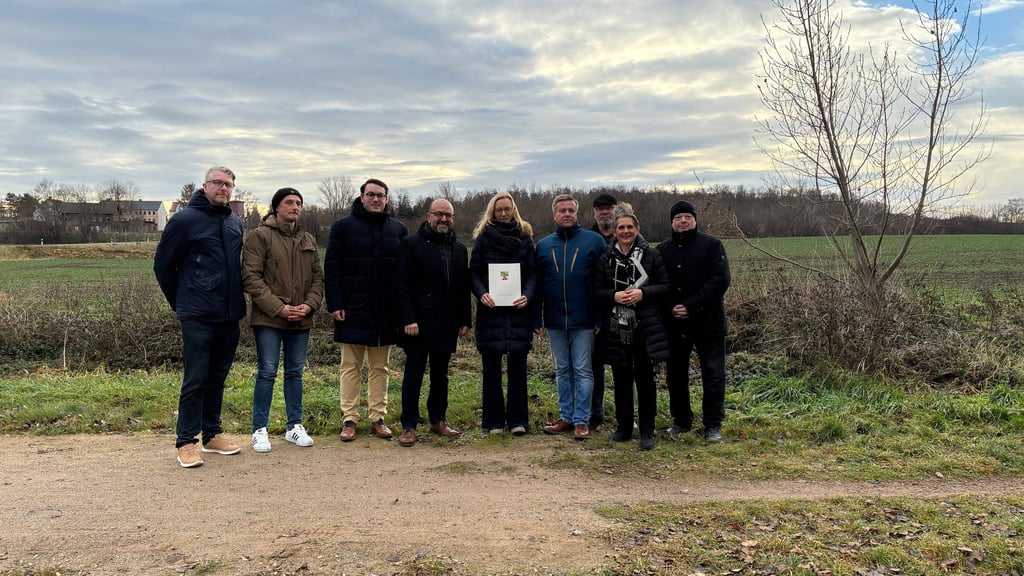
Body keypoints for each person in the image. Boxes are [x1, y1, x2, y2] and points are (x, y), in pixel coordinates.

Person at [154, 166, 245, 468]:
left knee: (218, 376)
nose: (224, 188)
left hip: (229, 313)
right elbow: (164, 267)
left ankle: (212, 433)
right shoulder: (184, 221)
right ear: (205, 185)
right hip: (198, 314)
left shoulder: (234, 222)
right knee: (196, 378)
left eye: (229, 184)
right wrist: (183, 303)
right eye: (218, 183)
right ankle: (186, 441)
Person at [323, 178, 408, 442]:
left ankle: (377, 418)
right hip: (352, 308)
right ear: (361, 197)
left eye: (380, 195)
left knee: (380, 367)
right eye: (370, 194)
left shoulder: (399, 229)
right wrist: (335, 303)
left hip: (386, 310)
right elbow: (332, 268)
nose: (375, 199)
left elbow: (404, 274)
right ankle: (349, 419)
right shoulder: (343, 227)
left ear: (386, 199)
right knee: (350, 366)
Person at [241, 187, 324, 453]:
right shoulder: (259, 236)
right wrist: (279, 308)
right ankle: (259, 430)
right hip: (269, 319)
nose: (295, 207)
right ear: (277, 207)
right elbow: (251, 278)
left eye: (299, 203)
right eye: (289, 202)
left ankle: (294, 427)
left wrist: (309, 306)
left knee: (295, 373)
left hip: (301, 319)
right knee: (267, 372)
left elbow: (318, 279)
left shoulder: (308, 238)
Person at [395, 199, 472, 447]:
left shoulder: (459, 249)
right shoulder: (410, 244)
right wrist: (408, 318)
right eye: (439, 214)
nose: (444, 219)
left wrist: (464, 320)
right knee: (414, 374)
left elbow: (462, 288)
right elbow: (401, 285)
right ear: (429, 216)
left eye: (448, 215)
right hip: (417, 322)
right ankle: (408, 425)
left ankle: (438, 420)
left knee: (441, 375)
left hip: (447, 322)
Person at [594, 210, 671, 450]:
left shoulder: (651, 254)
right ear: (615, 232)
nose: (625, 231)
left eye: (629, 227)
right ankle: (624, 428)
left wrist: (642, 293)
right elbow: (596, 292)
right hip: (617, 327)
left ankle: (647, 431)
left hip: (645, 327)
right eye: (621, 228)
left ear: (636, 229)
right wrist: (614, 295)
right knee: (621, 380)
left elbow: (666, 287)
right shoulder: (606, 258)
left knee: (646, 380)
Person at [656, 200, 731, 442]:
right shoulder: (662, 250)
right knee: (675, 374)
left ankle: (712, 425)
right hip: (674, 323)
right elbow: (657, 285)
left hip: (708, 322)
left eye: (687, 216)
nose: (683, 221)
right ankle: (681, 420)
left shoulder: (712, 246)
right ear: (672, 222)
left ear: (695, 220)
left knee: (713, 373)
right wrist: (671, 308)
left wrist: (690, 305)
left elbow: (720, 280)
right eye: (678, 217)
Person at [534, 194, 607, 441]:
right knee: (562, 370)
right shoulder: (544, 245)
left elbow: (602, 282)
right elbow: (538, 285)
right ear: (554, 214)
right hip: (554, 319)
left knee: (583, 370)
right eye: (562, 210)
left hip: (585, 320)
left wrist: (599, 317)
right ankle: (565, 416)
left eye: (571, 210)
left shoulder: (594, 241)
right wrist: (536, 317)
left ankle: (581, 421)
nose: (567, 214)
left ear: (577, 213)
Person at [470, 192, 537, 436]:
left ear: (514, 210)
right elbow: (474, 272)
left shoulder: (525, 237)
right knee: (491, 368)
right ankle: (494, 422)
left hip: (519, 311)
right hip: (491, 311)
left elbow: (532, 273)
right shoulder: (483, 239)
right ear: (492, 212)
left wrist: (528, 295)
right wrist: (482, 293)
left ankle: (519, 421)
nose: (504, 213)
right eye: (499, 209)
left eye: (507, 209)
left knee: (518, 368)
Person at [588, 192, 618, 429]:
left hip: (624, 311)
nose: (605, 212)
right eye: (600, 208)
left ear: (616, 210)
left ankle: (625, 415)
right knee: (594, 365)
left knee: (624, 367)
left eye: (609, 208)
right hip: (595, 313)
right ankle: (595, 413)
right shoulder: (587, 238)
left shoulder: (628, 234)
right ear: (594, 212)